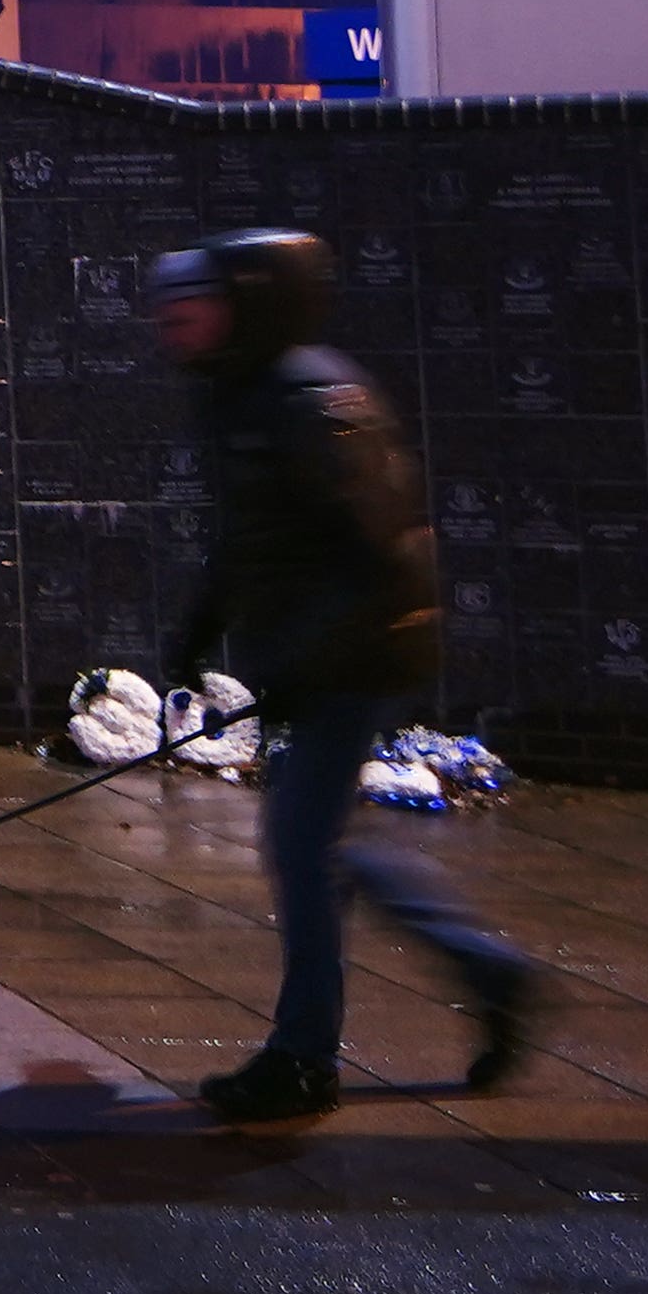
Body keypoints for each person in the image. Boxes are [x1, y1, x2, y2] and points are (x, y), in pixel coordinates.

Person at [152, 227, 540, 1123]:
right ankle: (489, 969)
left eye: (188, 314)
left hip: (356, 655)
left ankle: (302, 1059)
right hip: (313, 657)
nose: (173, 333)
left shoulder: (311, 398)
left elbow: (374, 554)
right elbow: (257, 533)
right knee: (316, 844)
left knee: (299, 845)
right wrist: (202, 626)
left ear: (246, 305)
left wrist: (300, 662)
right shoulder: (245, 395)